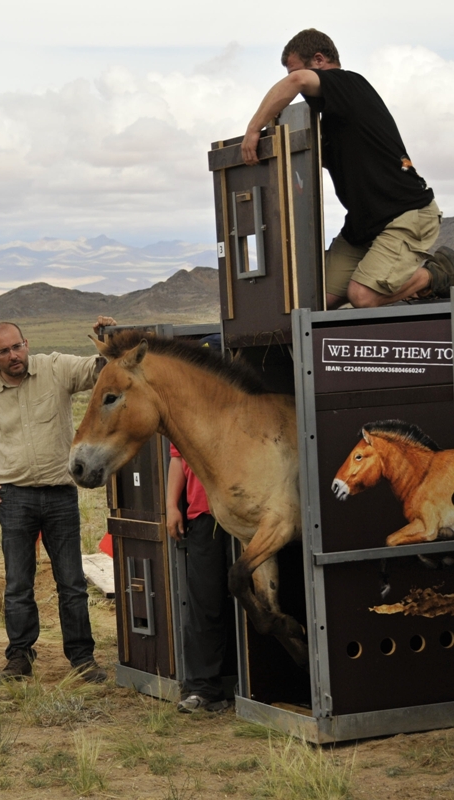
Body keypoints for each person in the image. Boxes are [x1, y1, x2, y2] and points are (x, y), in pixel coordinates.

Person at [241, 28, 454, 309]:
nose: (298, 92)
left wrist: (253, 130)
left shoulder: (347, 83)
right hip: (363, 225)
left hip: (405, 213)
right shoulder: (335, 118)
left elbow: (297, 80)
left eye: (294, 70)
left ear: (319, 60)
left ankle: (437, 273)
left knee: (363, 297)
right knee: (313, 300)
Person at [0, 317, 115, 681]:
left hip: (60, 495)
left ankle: (82, 660)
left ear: (26, 343)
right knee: (18, 584)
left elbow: (99, 372)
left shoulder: (55, 368)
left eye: (17, 346)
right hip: (15, 499)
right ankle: (19, 659)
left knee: (72, 583)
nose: (14, 355)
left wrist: (107, 337)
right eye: (4, 351)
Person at [166, 338, 233, 714]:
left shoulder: (235, 401)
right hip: (202, 515)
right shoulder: (183, 408)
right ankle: (203, 689)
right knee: (204, 603)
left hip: (241, 515)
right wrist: (172, 506)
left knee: (247, 599)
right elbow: (177, 458)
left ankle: (255, 685)